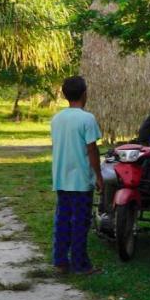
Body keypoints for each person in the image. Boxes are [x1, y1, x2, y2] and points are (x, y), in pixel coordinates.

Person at [50, 76, 103, 275]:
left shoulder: (57, 119)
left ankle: (61, 262)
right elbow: (92, 150)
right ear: (84, 94)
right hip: (81, 180)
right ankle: (81, 265)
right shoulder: (87, 119)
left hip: (61, 178)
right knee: (80, 223)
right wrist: (98, 175)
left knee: (62, 220)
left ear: (64, 95)